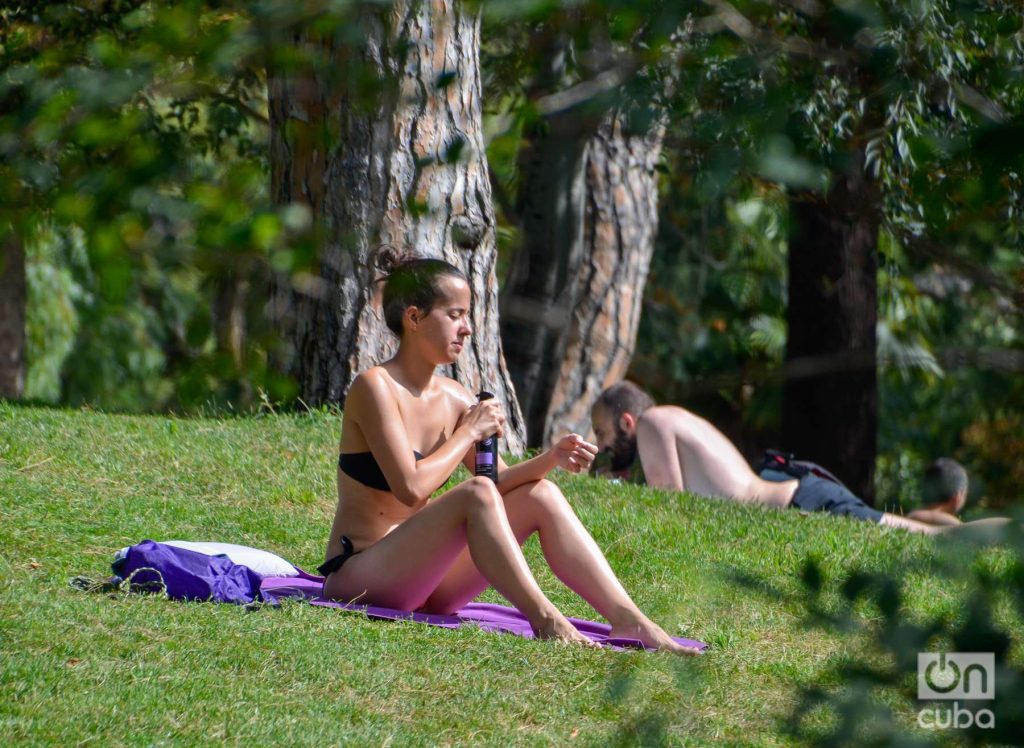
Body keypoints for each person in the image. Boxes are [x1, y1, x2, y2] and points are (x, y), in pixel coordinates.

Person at [321, 250, 699, 654]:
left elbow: (496, 480)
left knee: (541, 494)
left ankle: (630, 620)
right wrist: (468, 432)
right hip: (362, 576)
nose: (467, 329)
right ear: (414, 318)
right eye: (454, 315)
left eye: (468, 315)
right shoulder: (374, 388)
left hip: (427, 585)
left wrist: (550, 459)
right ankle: (548, 621)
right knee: (475, 493)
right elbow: (410, 489)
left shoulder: (453, 397)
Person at [589, 381, 999, 535]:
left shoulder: (655, 423)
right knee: (916, 528)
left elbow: (670, 507)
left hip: (805, 502)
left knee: (942, 542)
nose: (604, 445)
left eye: (604, 433)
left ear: (628, 421)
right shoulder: (671, 420)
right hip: (801, 495)